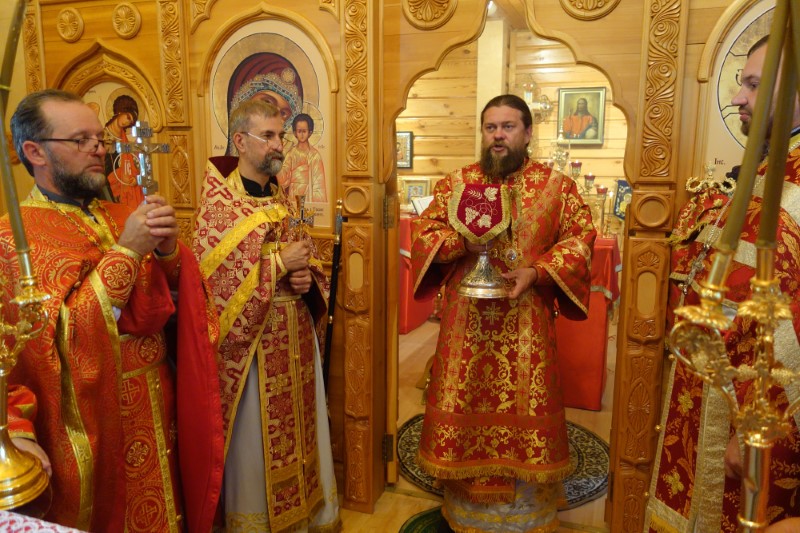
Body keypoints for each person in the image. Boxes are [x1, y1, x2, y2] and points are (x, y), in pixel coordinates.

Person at [1, 89, 224, 532]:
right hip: (96, 421)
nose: (99, 149)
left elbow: (170, 303)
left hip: (157, 398)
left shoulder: (119, 213)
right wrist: (127, 252)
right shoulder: (12, 240)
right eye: (80, 140)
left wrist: (167, 252)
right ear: (35, 152)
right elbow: (60, 341)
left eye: (99, 139)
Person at [410, 94, 596, 532]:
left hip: (526, 323)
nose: (498, 136)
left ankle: (523, 515)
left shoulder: (557, 187)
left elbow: (581, 240)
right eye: (490, 127)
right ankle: (466, 508)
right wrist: (461, 243)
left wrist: (536, 272)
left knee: (524, 413)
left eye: (508, 127)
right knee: (465, 406)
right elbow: (425, 232)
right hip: (467, 326)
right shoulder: (456, 183)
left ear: (527, 133)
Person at [643, 35, 800, 532]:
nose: (737, 98)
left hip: (751, 428)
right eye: (740, 84)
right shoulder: (767, 172)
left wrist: (756, 429)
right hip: (705, 403)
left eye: (753, 85)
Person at [193, 99, 340, 532]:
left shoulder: (284, 196)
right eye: (269, 136)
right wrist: (278, 263)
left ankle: (303, 516)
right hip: (251, 353)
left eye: (281, 135)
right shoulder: (219, 203)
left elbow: (304, 258)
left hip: (295, 341)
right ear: (240, 140)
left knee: (300, 430)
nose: (279, 144)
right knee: (255, 442)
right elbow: (213, 282)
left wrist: (306, 278)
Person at [103, 94, 144, 207]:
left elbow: (135, 166)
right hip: (106, 188)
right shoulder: (101, 135)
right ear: (121, 111)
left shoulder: (125, 141)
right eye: (128, 117)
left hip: (123, 189)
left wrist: (135, 179)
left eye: (130, 123)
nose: (127, 123)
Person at [278, 113, 328, 202]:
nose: (301, 134)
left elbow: (319, 185)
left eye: (304, 131)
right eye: (299, 131)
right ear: (295, 133)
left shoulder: (314, 155)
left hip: (309, 195)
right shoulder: (291, 154)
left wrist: (316, 205)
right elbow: (283, 177)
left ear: (310, 133)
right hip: (293, 195)